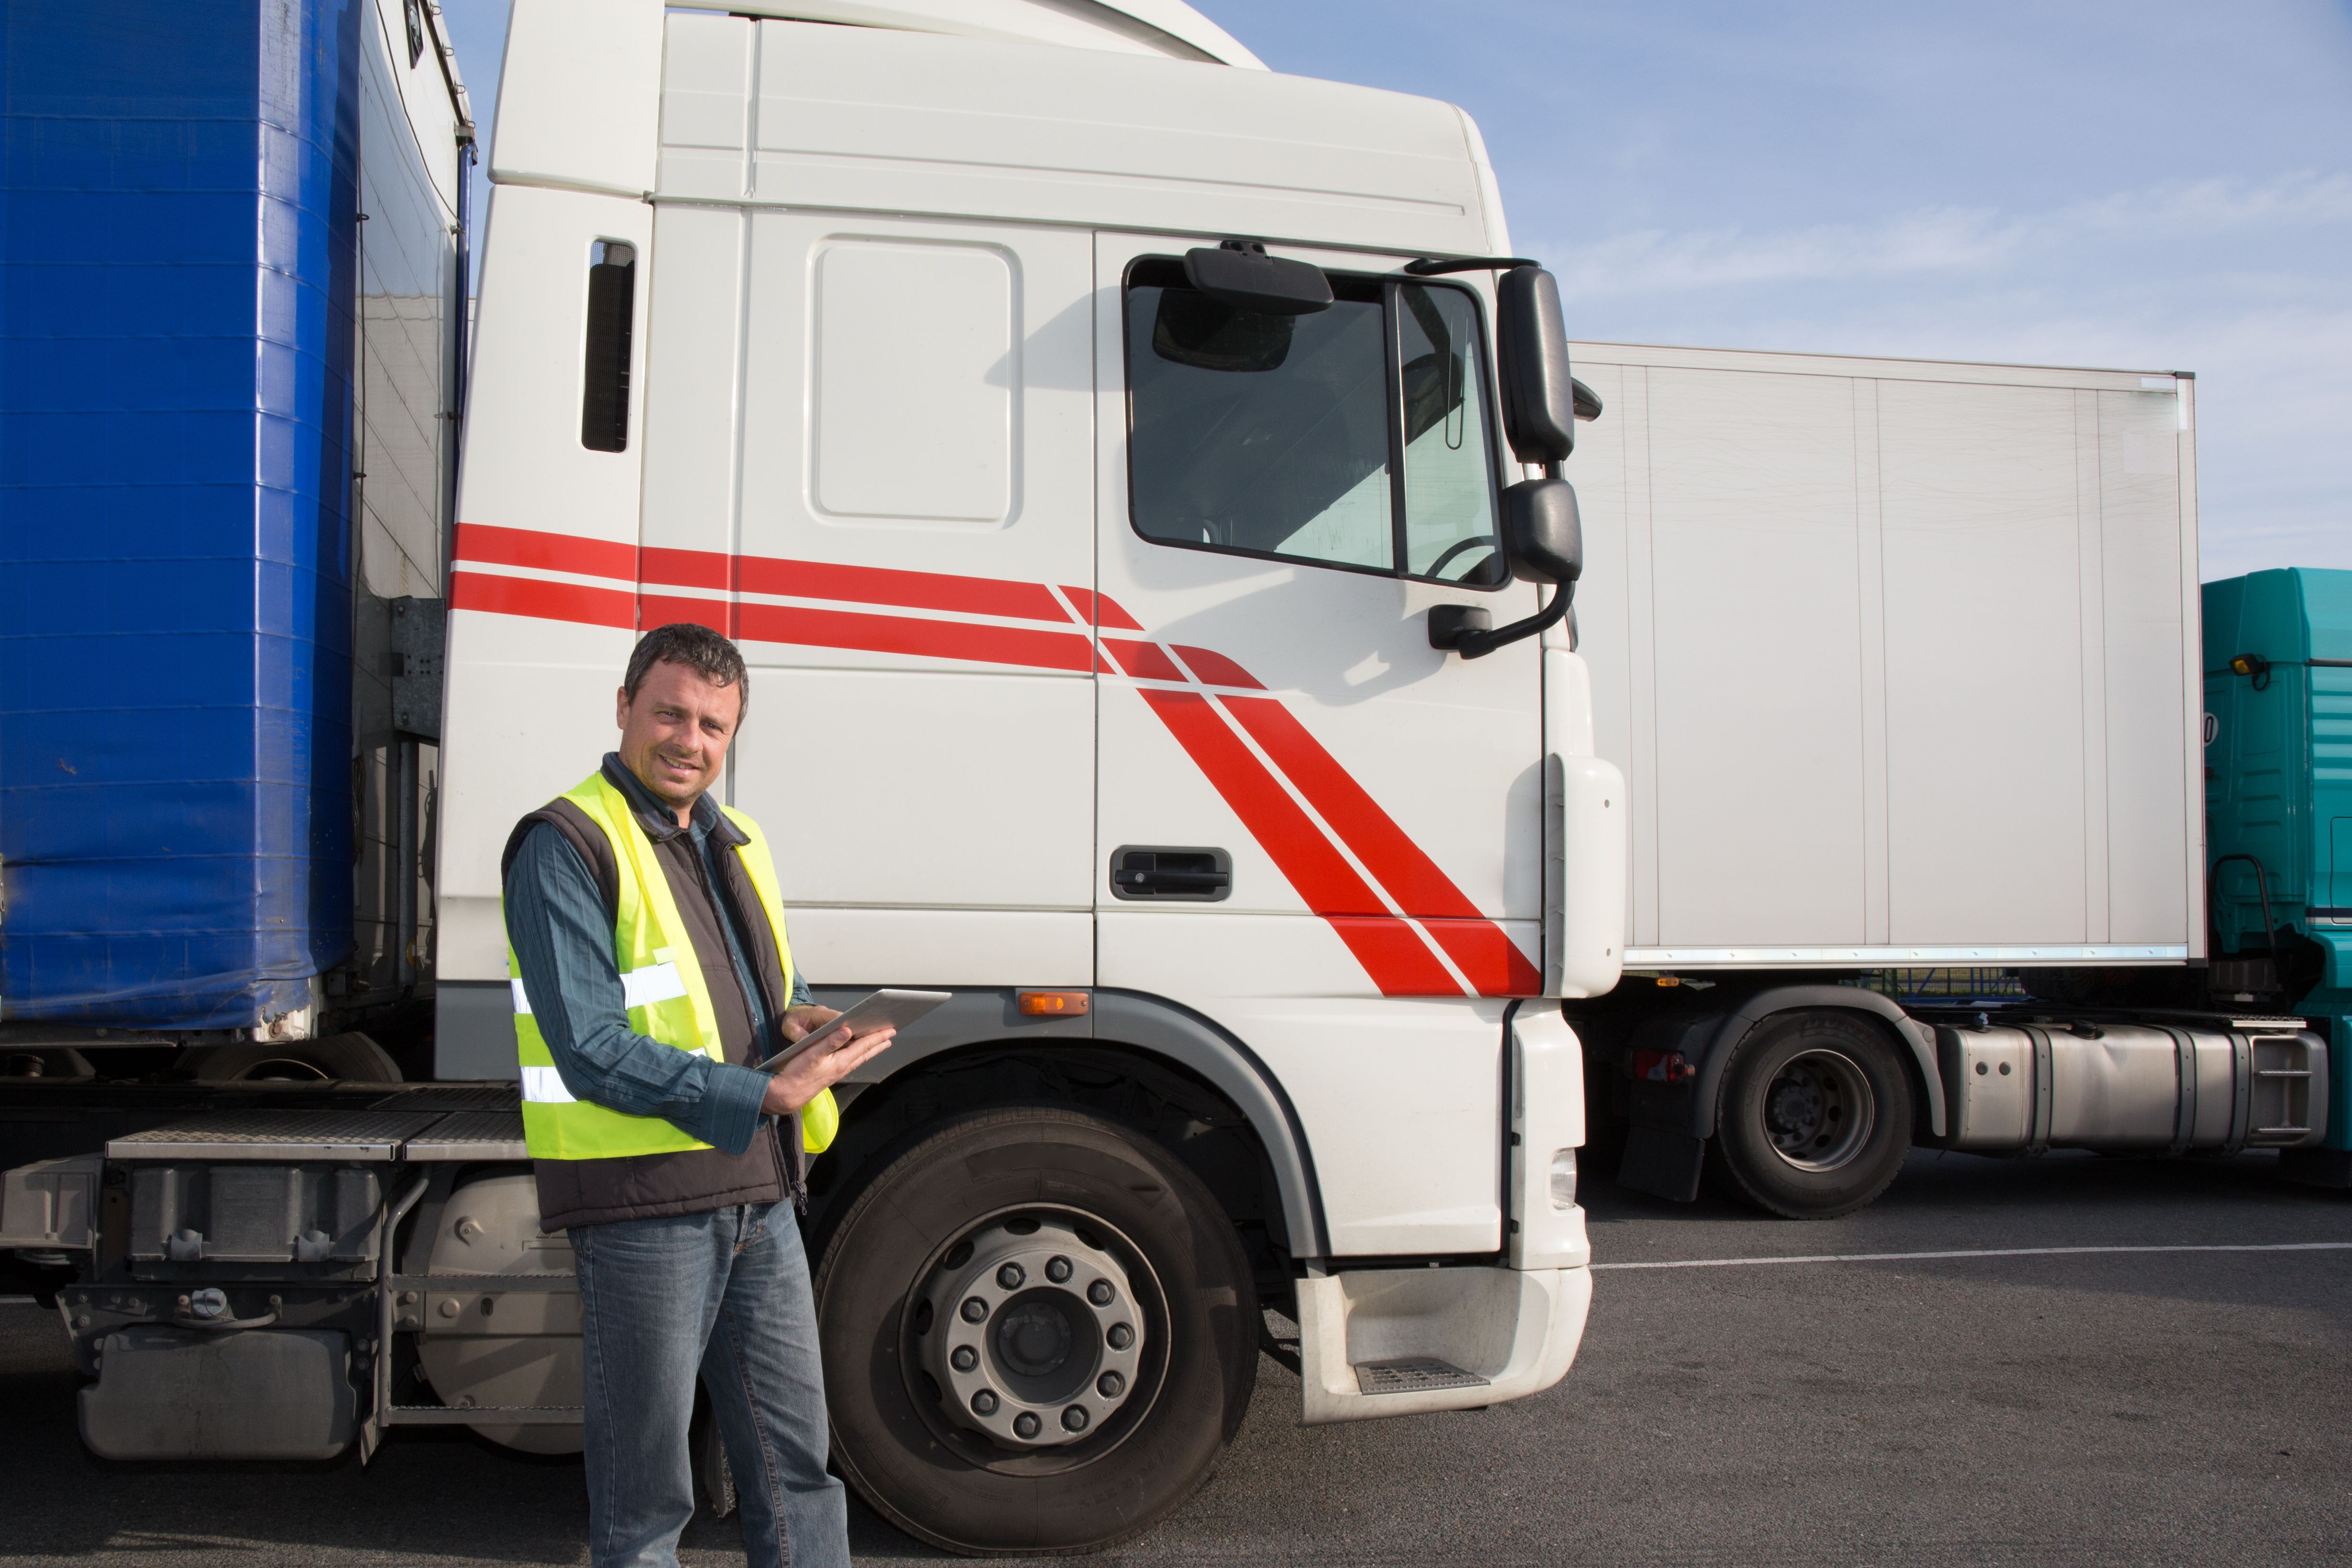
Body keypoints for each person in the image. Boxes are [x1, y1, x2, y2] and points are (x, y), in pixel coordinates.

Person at [502, 622, 895, 1568]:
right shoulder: (564, 843)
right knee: (646, 1502)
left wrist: (798, 1021)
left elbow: (757, 992)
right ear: (625, 708)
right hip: (643, 1202)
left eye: (714, 726)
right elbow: (591, 1049)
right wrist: (763, 1096)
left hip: (758, 1197)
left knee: (798, 1472)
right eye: (670, 713)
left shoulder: (736, 839)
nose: (690, 741)